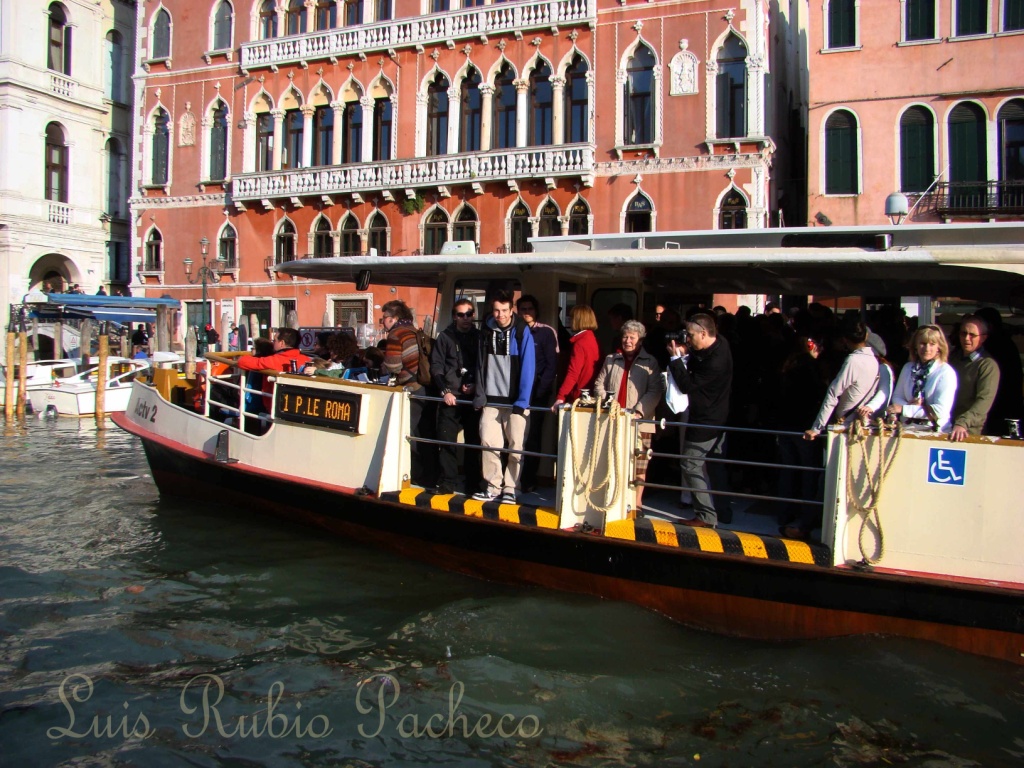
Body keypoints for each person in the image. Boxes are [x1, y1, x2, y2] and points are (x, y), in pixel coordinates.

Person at [667, 313, 733, 528]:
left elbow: (687, 385)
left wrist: (676, 359)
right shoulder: (721, 344)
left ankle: (706, 516)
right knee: (715, 466)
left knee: (690, 463)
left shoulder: (716, 361)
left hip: (706, 420)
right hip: (718, 417)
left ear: (704, 333)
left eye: (691, 335)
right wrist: (688, 353)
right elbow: (699, 357)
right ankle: (722, 512)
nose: (688, 339)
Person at [594, 320, 664, 512]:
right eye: (625, 336)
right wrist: (609, 402)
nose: (627, 340)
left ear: (640, 341)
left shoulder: (651, 362)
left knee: (639, 465)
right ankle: (614, 499)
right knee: (613, 460)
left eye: (632, 337)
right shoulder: (611, 359)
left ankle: (637, 503)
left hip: (640, 423)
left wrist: (639, 411)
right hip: (614, 419)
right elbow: (599, 385)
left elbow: (656, 391)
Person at [473, 290, 535, 503]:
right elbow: (480, 364)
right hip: (491, 400)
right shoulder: (485, 330)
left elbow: (528, 366)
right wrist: (480, 395)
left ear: (512, 310)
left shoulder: (521, 330)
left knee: (515, 446)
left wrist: (522, 400)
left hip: (516, 402)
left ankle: (510, 487)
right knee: (489, 444)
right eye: (497, 310)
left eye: (505, 310)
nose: (501, 315)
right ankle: (493, 486)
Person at [430, 298, 482, 495]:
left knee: (473, 442)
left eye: (469, 314)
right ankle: (448, 482)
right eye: (461, 315)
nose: (465, 318)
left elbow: (484, 366)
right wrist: (445, 391)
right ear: (454, 316)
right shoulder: (445, 337)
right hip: (451, 398)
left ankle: (473, 483)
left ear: (474, 315)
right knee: (447, 441)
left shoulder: (480, 337)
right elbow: (436, 366)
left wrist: (477, 385)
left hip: (473, 397)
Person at [381, 299, 435, 487]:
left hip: (412, 388)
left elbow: (393, 366)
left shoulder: (396, 334)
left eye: (385, 318)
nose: (383, 322)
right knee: (425, 431)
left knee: (409, 432)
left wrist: (383, 365)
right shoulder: (414, 330)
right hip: (425, 386)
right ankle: (431, 473)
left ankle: (417, 472)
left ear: (394, 318)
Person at [804, 319, 879, 441]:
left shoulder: (853, 361)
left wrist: (817, 428)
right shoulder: (874, 361)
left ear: (845, 339)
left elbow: (833, 393)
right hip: (863, 424)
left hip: (845, 427)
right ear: (866, 335)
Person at [516, 294, 558, 493]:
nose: (526, 312)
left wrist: (540, 392)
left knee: (532, 437)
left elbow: (552, 366)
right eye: (522, 309)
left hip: (537, 395)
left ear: (536, 310)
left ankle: (529, 480)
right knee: (514, 436)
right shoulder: (514, 331)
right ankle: (512, 480)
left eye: (529, 308)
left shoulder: (546, 333)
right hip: (516, 394)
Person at [887, 325, 958, 433]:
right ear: (915, 346)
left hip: (935, 432)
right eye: (923, 344)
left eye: (932, 344)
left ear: (939, 346)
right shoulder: (907, 368)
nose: (927, 349)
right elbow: (897, 397)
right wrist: (911, 406)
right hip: (906, 430)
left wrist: (905, 409)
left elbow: (940, 410)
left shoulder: (946, 372)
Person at [236, 327, 310, 414]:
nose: (272, 343)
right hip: (300, 405)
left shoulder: (275, 360)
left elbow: (242, 362)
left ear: (282, 343)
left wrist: (246, 356)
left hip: (276, 406)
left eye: (274, 340)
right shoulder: (306, 359)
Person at [949, 315, 1000, 441]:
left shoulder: (987, 365)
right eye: (963, 333)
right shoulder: (952, 358)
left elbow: (984, 401)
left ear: (983, 338)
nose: (967, 338)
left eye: (972, 335)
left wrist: (963, 423)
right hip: (945, 426)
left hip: (969, 432)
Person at [552, 304, 602, 408]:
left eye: (571, 318)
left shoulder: (580, 343)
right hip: (590, 393)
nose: (569, 320)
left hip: (579, 395)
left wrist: (561, 396)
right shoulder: (593, 339)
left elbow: (573, 373)